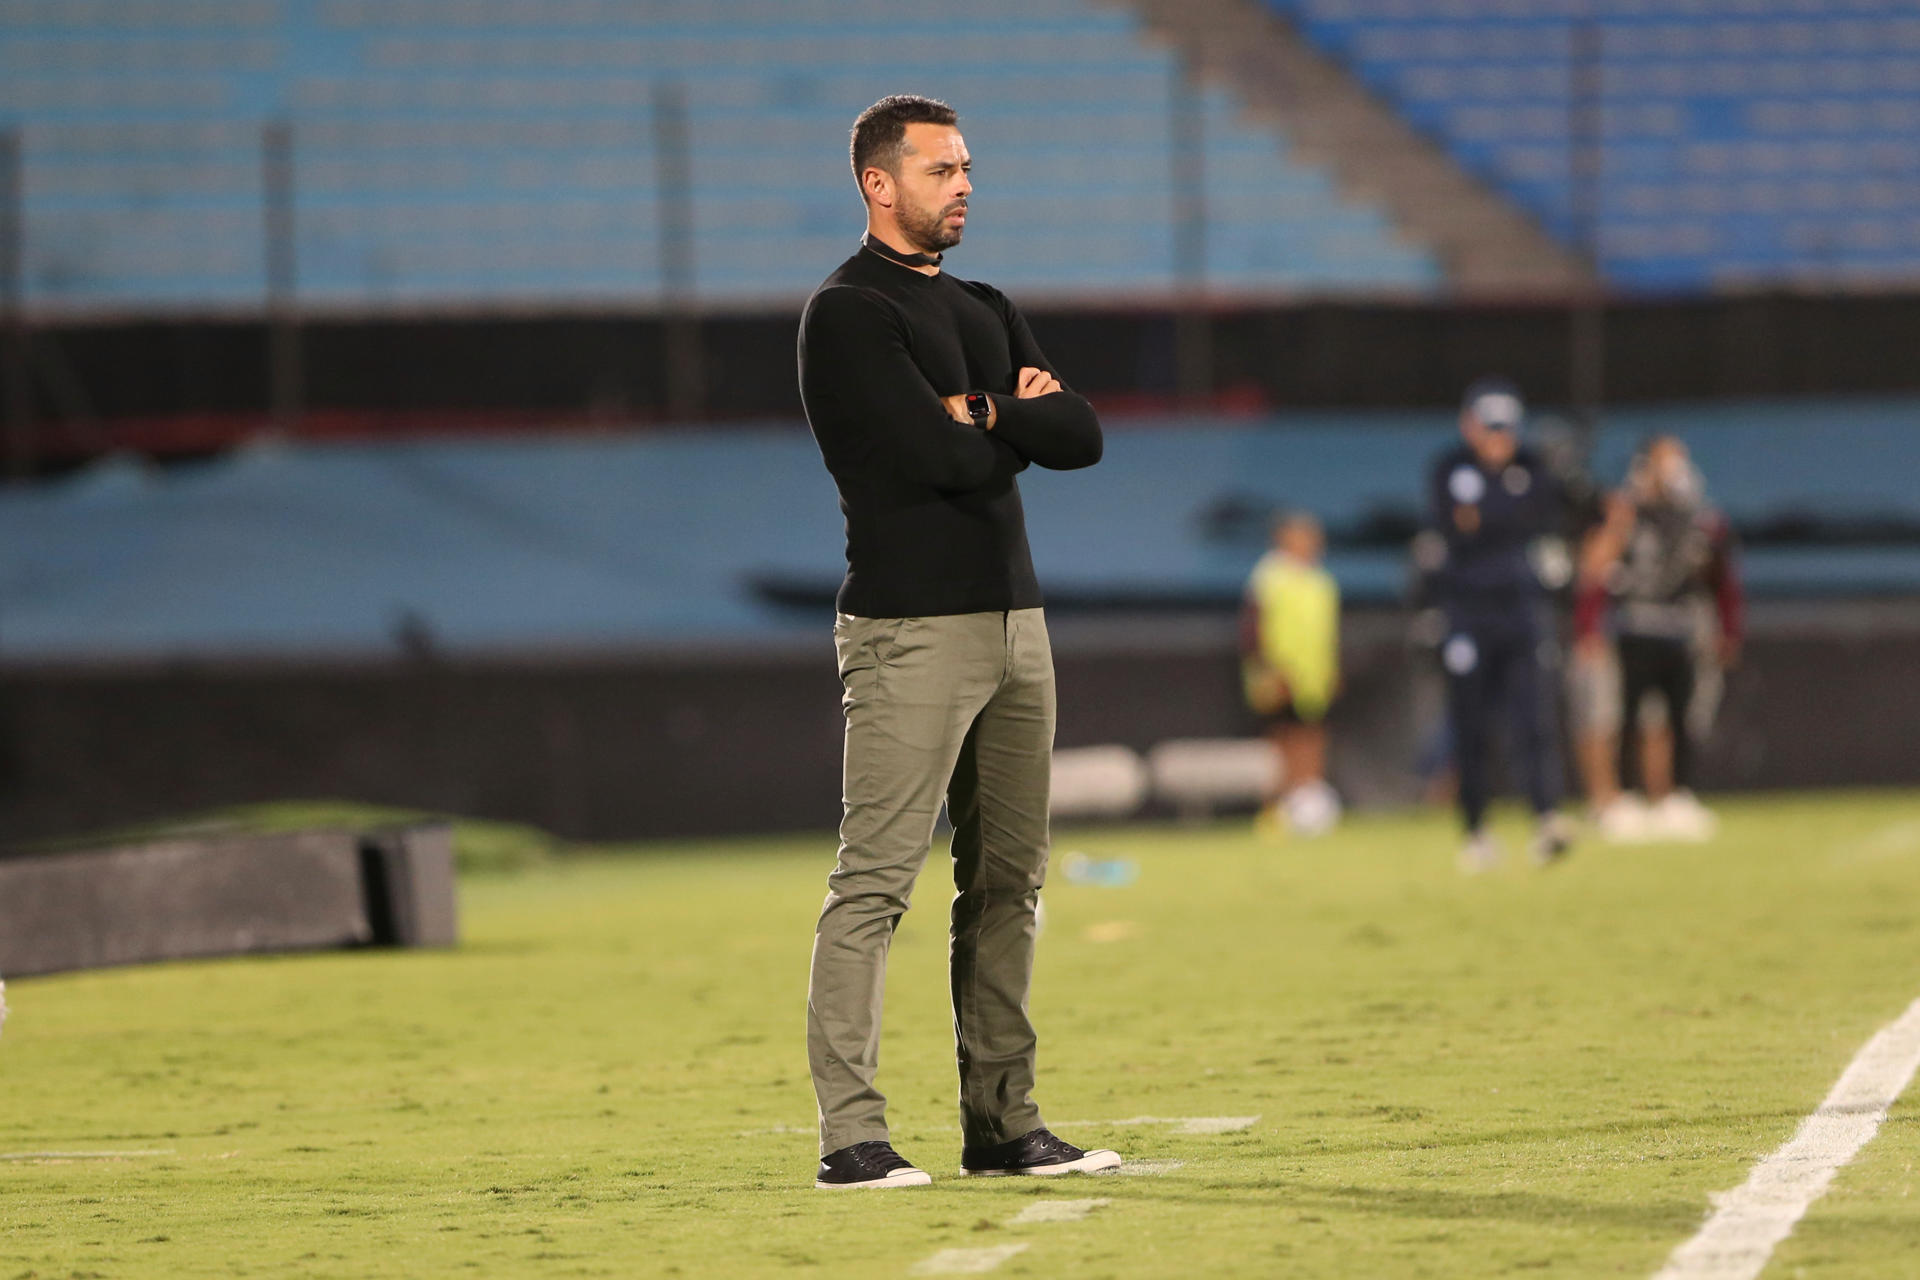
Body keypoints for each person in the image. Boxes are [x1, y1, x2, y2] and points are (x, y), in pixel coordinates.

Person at [796, 95, 1117, 1189]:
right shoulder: (847, 313)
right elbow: (935, 464)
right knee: (876, 884)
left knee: (1010, 882)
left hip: (1015, 620)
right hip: (910, 627)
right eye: (941, 170)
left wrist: (979, 412)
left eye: (968, 167)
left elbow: (1079, 436)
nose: (964, 185)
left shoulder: (985, 304)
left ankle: (1004, 1122)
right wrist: (1006, 419)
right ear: (880, 185)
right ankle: (852, 1135)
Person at [1426, 378, 1574, 872]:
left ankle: (1546, 817)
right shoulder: (1450, 468)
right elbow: (1460, 528)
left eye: (1505, 429)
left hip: (1520, 613)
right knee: (1471, 726)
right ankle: (1475, 831)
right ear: (1469, 425)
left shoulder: (1532, 468)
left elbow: (1530, 520)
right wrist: (1499, 516)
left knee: (1533, 719)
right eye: (1489, 428)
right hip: (1468, 614)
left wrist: (1487, 517)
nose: (1498, 439)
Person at [1577, 435, 1742, 840]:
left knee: (1680, 718)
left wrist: (1728, 629)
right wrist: (1588, 628)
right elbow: (1593, 571)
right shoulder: (1627, 513)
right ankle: (1626, 798)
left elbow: (1723, 578)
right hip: (1635, 629)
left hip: (1681, 630)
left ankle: (1675, 797)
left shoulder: (1699, 519)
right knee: (1628, 716)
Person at [1240, 511, 1341, 835]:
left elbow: (1326, 632)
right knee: (1282, 742)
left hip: (1314, 678)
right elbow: (1254, 630)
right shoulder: (1269, 577)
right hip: (1280, 675)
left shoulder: (1321, 580)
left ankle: (1307, 806)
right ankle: (1274, 811)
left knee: (1311, 739)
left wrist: (1332, 670)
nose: (1309, 543)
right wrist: (1271, 670)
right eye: (1301, 536)